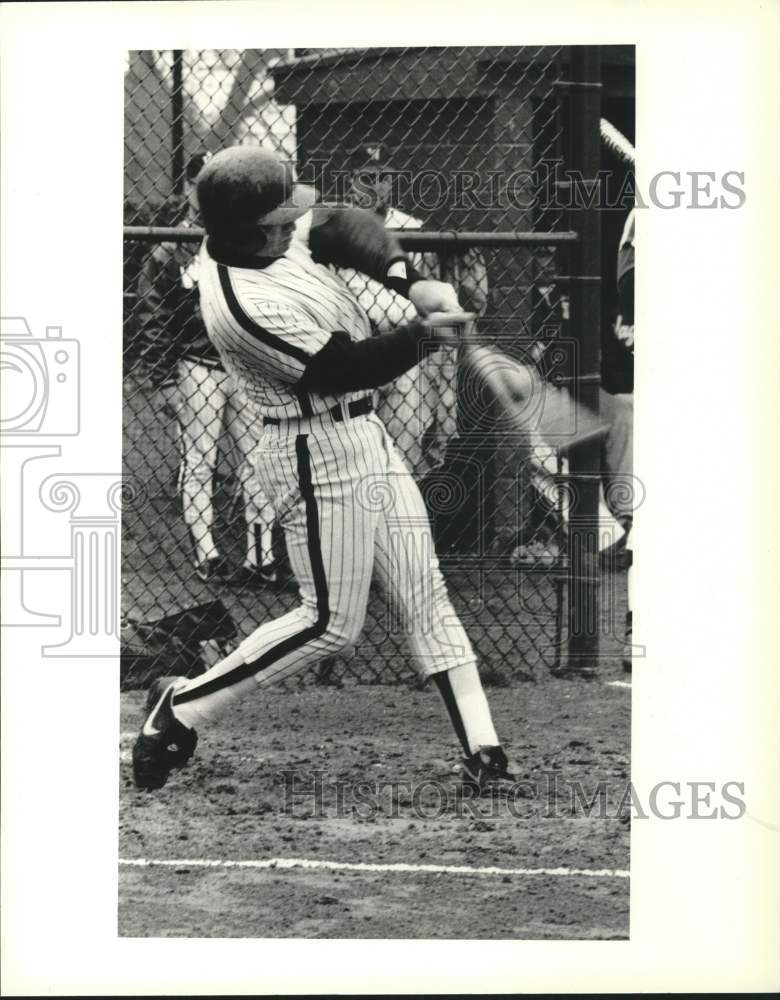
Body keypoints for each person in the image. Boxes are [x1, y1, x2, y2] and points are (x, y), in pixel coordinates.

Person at [132, 144, 518, 792]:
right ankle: (182, 708)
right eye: (278, 223)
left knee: (424, 591)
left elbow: (342, 224)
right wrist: (427, 334)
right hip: (311, 452)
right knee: (330, 624)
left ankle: (485, 754)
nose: (294, 228)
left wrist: (408, 279)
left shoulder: (272, 230)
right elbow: (344, 367)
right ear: (239, 230)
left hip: (364, 434)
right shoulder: (238, 302)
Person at [135, 153, 279, 587]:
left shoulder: (240, 236)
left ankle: (261, 556)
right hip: (196, 366)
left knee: (260, 460)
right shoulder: (170, 246)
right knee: (199, 460)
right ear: (189, 187)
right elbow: (152, 316)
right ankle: (208, 553)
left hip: (244, 365)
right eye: (202, 181)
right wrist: (162, 380)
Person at [339, 149, 489, 478]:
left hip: (401, 351)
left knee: (403, 451)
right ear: (351, 181)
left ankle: (396, 517)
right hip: (356, 348)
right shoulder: (337, 224)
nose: (377, 186)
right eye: (368, 178)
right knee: (354, 451)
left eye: (384, 178)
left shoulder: (411, 227)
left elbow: (448, 291)